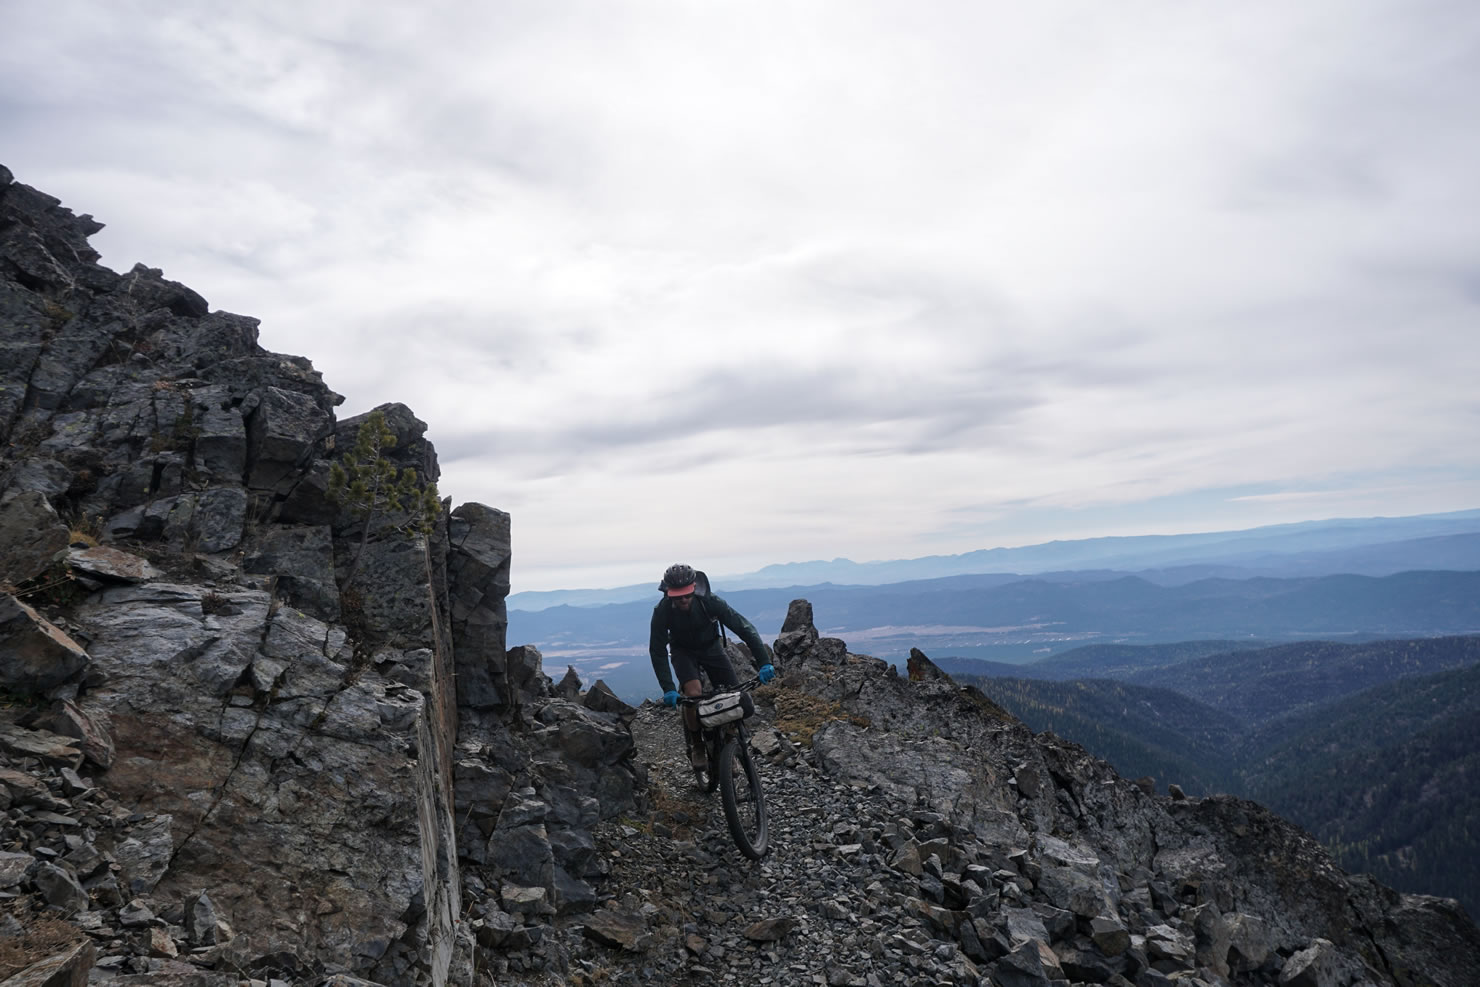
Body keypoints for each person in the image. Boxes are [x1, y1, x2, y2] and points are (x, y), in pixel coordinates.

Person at [649, 562, 776, 769]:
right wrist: (669, 688)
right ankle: (697, 744)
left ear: (694, 588)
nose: (683, 600)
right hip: (683, 651)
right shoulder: (662, 611)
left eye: (687, 595)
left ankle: (728, 746)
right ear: (668, 593)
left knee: (733, 696)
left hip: (711, 648)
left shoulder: (710, 602)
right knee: (692, 694)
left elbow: (744, 628)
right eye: (677, 596)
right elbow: (657, 650)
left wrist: (764, 663)